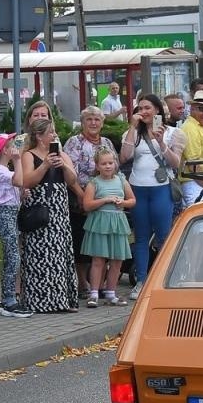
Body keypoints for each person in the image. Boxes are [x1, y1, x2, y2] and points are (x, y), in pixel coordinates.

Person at [14, 119, 81, 313]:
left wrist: (63, 165)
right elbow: (27, 181)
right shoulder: (29, 155)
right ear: (39, 136)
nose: (54, 136)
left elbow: (72, 180)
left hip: (59, 210)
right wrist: (44, 165)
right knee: (40, 255)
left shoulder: (61, 154)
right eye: (50, 133)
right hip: (40, 209)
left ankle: (62, 300)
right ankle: (40, 301)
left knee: (60, 254)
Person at [119, 93, 180, 299]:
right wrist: (132, 128)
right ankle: (141, 282)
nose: (143, 112)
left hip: (161, 188)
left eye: (147, 108)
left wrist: (161, 143)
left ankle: (164, 280)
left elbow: (176, 163)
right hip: (139, 188)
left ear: (157, 110)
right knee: (142, 236)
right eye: (140, 108)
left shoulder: (172, 133)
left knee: (163, 236)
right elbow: (124, 157)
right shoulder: (134, 133)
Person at [64, 106, 115, 287]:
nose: (93, 123)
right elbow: (68, 172)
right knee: (81, 238)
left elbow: (113, 168)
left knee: (101, 239)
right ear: (83, 122)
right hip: (79, 194)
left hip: (104, 198)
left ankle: (99, 281)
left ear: (102, 123)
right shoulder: (74, 142)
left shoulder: (107, 143)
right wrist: (81, 194)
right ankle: (82, 281)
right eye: (89, 119)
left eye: (97, 120)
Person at [81, 149, 134, 306]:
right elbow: (87, 205)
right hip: (100, 223)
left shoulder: (121, 180)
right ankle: (94, 293)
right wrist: (104, 200)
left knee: (117, 260)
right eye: (104, 164)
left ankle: (111, 293)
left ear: (115, 163)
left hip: (117, 222)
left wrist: (122, 203)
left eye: (110, 163)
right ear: (97, 166)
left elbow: (132, 200)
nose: (108, 166)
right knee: (98, 260)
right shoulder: (94, 183)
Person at [0, 134, 29, 318]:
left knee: (13, 257)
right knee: (13, 258)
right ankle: (8, 300)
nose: (15, 149)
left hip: (11, 213)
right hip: (5, 215)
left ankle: (8, 298)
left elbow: (16, 187)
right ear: (5, 150)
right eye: (12, 146)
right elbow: (19, 181)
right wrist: (18, 161)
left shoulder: (5, 170)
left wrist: (21, 195)